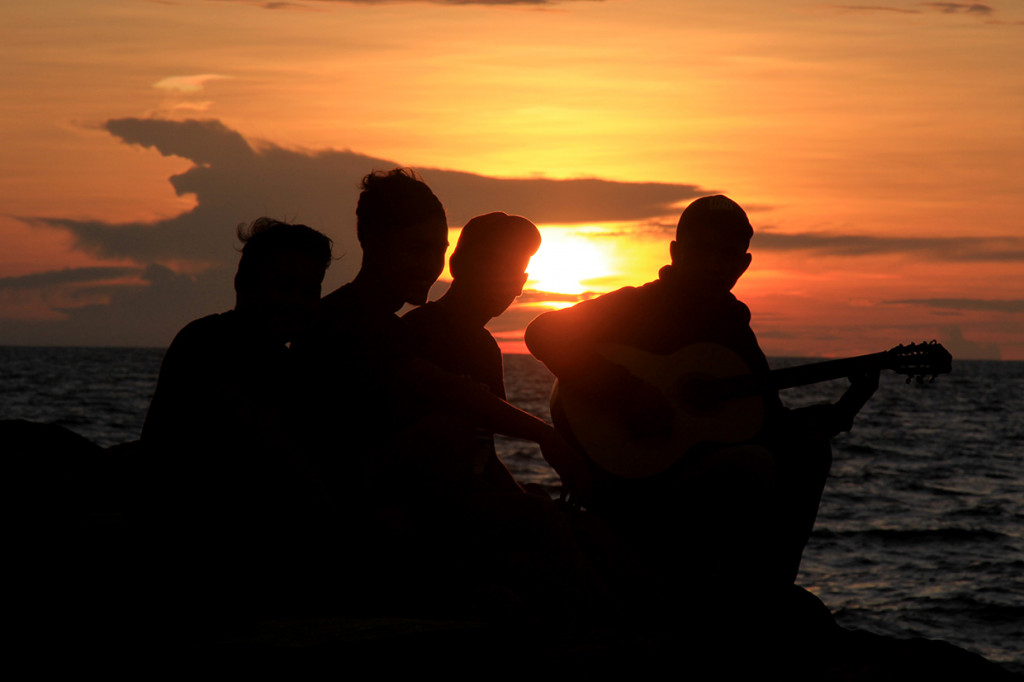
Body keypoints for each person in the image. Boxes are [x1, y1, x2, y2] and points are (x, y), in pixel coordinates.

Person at [525, 195, 878, 626]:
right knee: (753, 465)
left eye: (726, 255)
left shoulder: (733, 328)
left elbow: (766, 423)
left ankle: (767, 595)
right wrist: (628, 392)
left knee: (806, 450)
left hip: (687, 470)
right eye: (702, 251)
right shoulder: (638, 304)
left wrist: (843, 408)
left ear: (743, 264)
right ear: (676, 253)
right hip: (626, 482)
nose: (713, 265)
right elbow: (543, 332)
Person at [294, 169, 602, 618]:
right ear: (376, 246)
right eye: (416, 249)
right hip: (353, 512)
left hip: (401, 504)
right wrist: (546, 435)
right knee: (454, 438)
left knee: (562, 523)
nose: (429, 265)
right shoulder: (353, 320)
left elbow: (478, 448)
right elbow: (444, 393)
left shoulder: (391, 326)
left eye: (436, 250)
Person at [141, 217, 335, 617]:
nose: (297, 302)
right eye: (283, 286)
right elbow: (263, 445)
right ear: (244, 285)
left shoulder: (283, 362)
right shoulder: (209, 344)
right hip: (202, 541)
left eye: (309, 291)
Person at [402, 211, 542, 495]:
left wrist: (526, 503)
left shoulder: (486, 349)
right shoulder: (417, 332)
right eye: (493, 265)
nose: (503, 281)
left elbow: (485, 455)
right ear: (459, 265)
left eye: (513, 272)